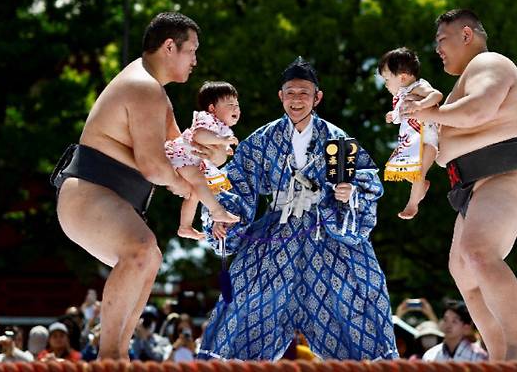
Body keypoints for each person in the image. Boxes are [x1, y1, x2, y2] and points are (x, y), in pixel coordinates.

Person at [49, 12, 226, 360]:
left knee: (150, 256)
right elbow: (155, 165)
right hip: (89, 192)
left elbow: (184, 153)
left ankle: (119, 353)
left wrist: (216, 151)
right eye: (191, 50)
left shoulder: (154, 93)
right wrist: (180, 185)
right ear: (169, 47)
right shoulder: (142, 86)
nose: (195, 60)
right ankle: (110, 356)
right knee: (142, 247)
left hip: (106, 196)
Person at [196, 57, 398, 360]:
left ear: (317, 97)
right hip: (276, 238)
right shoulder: (260, 141)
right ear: (280, 96)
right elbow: (233, 183)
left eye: (304, 93)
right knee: (244, 304)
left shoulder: (338, 139)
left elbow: (367, 181)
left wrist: (350, 192)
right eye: (290, 93)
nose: (296, 100)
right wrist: (222, 214)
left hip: (328, 237)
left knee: (357, 298)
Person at [401, 9, 517, 361]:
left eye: (442, 40)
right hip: (473, 190)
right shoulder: (455, 89)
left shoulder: (490, 64)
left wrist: (429, 115)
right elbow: (439, 148)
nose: (437, 49)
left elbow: (478, 112)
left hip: (509, 175)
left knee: (478, 252)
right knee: (464, 271)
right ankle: (500, 352)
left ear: (466, 35)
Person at [166, 81, 241, 239]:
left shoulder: (222, 128)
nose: (236, 108)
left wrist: (223, 146)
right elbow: (199, 135)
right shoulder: (207, 117)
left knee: (194, 193)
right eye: (230, 104)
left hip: (191, 161)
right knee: (199, 182)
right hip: (182, 156)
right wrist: (221, 141)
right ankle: (217, 211)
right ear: (213, 108)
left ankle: (185, 227)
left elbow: (214, 146)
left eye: (237, 104)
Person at [378, 47, 442, 219]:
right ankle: (421, 186)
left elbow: (436, 95)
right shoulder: (399, 97)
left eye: (386, 79)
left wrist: (421, 105)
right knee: (403, 170)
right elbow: (403, 116)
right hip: (410, 143)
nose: (385, 84)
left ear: (403, 77)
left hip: (428, 141)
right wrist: (393, 115)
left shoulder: (417, 86)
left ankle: (412, 205)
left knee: (418, 172)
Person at [422, 300, 487, 362]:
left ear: (466, 327)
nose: (448, 325)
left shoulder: (478, 356)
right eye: (445, 320)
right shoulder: (430, 355)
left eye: (454, 321)